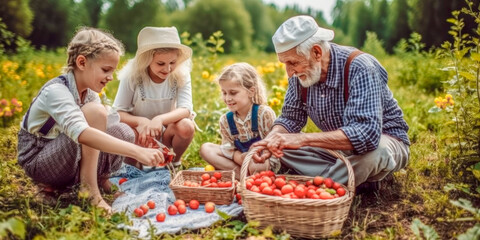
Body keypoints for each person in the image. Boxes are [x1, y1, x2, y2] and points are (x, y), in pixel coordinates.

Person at [252, 15, 410, 193]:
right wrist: (272, 140)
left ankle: (317, 185)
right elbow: (290, 118)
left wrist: (302, 139)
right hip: (337, 148)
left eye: (293, 63)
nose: (289, 73)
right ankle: (350, 178)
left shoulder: (361, 67)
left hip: (383, 142)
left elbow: (367, 135)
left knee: (375, 154)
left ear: (317, 52)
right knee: (281, 147)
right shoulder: (301, 75)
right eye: (285, 64)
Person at [17, 27, 165, 212]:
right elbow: (83, 133)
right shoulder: (56, 91)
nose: (111, 77)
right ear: (81, 62)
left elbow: (107, 123)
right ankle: (88, 189)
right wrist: (136, 152)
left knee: (124, 132)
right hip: (40, 159)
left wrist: (139, 123)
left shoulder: (89, 93)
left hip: (66, 152)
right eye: (106, 70)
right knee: (95, 114)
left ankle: (99, 179)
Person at [113, 26, 195, 169]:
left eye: (172, 63)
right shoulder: (132, 75)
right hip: (140, 135)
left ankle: (173, 161)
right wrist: (141, 122)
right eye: (160, 63)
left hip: (166, 132)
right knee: (123, 130)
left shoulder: (180, 74)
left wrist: (159, 119)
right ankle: (133, 164)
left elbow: (186, 109)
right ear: (146, 60)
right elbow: (118, 113)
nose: (168, 69)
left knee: (186, 125)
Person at [200, 63, 279, 178]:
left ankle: (248, 177)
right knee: (206, 149)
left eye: (233, 93)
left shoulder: (263, 114)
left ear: (251, 91)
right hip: (240, 162)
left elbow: (272, 147)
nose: (227, 98)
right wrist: (240, 157)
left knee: (257, 165)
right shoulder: (226, 120)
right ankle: (243, 177)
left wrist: (252, 157)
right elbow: (228, 148)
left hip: (262, 161)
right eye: (224, 93)